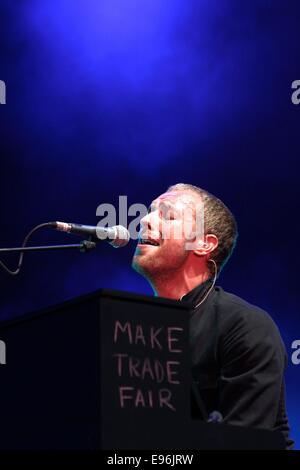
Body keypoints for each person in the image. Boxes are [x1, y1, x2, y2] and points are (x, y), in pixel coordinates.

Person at [132, 183, 293, 449]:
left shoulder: (245, 326)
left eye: (167, 215)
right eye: (149, 212)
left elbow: (242, 444)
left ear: (204, 244)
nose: (145, 220)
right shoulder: (137, 330)